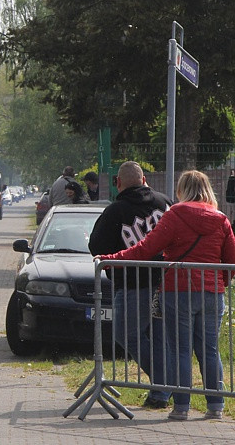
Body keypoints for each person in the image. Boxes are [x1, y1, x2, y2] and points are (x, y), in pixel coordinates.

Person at [99, 170, 235, 421]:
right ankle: (215, 406)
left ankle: (181, 407)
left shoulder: (175, 215)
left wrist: (111, 259)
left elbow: (145, 248)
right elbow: (231, 259)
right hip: (212, 292)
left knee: (180, 349)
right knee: (210, 350)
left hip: (179, 290)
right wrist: (220, 283)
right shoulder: (221, 219)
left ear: (182, 190)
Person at [88, 161, 172, 409]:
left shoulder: (116, 211)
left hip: (133, 283)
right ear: (144, 178)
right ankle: (161, 392)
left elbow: (97, 247)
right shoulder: (164, 202)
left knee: (127, 334)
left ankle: (163, 384)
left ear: (118, 183)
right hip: (167, 281)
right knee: (158, 337)